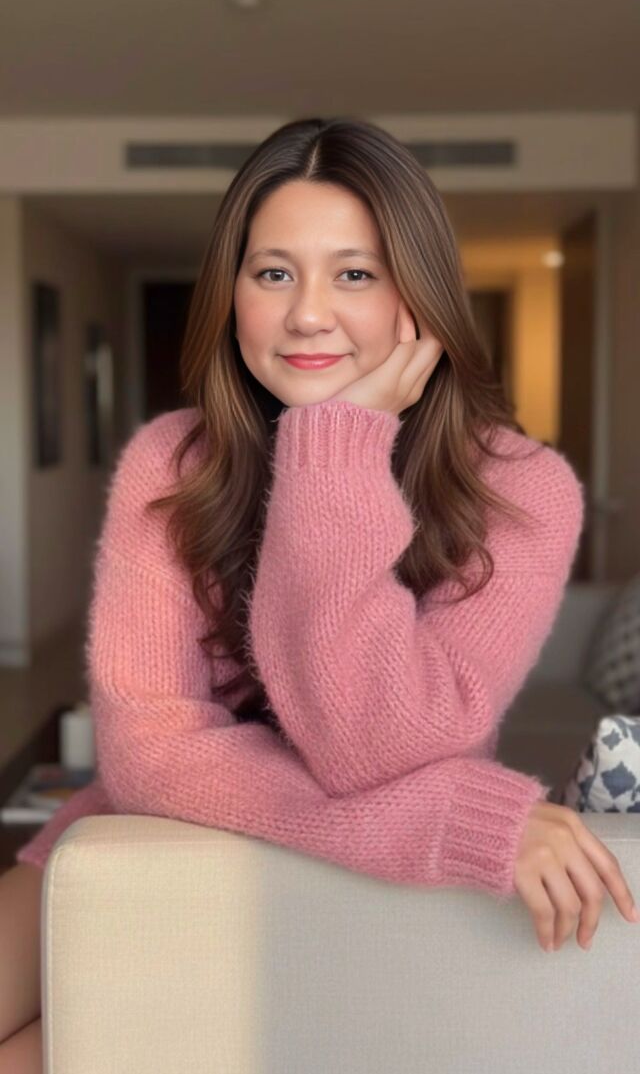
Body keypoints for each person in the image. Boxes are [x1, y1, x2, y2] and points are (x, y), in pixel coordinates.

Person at [1, 116, 636, 1068]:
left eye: (355, 273)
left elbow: (372, 743)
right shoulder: (170, 462)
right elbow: (148, 757)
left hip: (352, 895)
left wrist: (336, 448)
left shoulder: (520, 491)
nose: (307, 314)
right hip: (144, 845)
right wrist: (440, 815)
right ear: (231, 296)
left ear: (417, 295)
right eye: (272, 272)